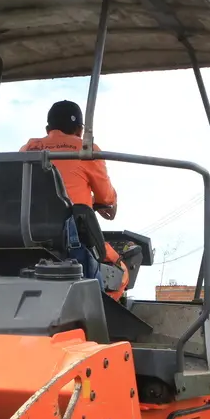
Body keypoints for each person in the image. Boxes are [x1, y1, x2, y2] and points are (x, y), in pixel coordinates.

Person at [20, 100, 128, 298]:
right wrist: (109, 201)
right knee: (121, 272)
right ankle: (101, 314)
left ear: (47, 129)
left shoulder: (27, 149)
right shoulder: (86, 150)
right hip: (69, 239)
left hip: (22, 234)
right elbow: (106, 198)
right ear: (80, 130)